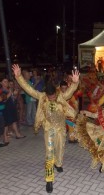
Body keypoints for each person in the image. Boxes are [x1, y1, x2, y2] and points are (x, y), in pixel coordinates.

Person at [12, 64, 80, 193]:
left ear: (56, 93)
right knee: (49, 153)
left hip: (60, 128)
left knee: (60, 148)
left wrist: (75, 83)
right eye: (50, 97)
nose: (52, 98)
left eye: (53, 96)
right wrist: (19, 76)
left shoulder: (61, 96)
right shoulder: (42, 97)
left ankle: (58, 164)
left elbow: (70, 91)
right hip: (49, 129)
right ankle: (49, 179)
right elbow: (29, 89)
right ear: (46, 95)